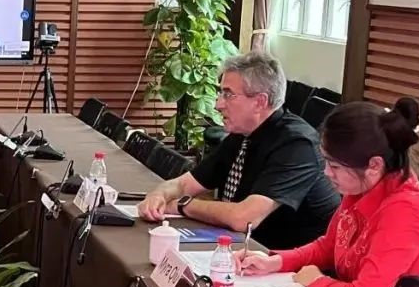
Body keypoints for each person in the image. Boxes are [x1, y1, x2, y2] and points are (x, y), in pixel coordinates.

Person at [239, 98, 419, 287]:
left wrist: (317, 281)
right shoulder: (361, 186)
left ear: (374, 165)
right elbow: (329, 247)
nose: (326, 172)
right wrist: (276, 262)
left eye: (334, 166)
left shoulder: (406, 210)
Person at [138, 52, 339, 250]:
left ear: (260, 101)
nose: (218, 104)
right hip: (244, 249)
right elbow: (184, 184)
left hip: (291, 261)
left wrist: (183, 205)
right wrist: (158, 195)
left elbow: (243, 218)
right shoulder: (241, 134)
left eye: (228, 95)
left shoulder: (297, 145)